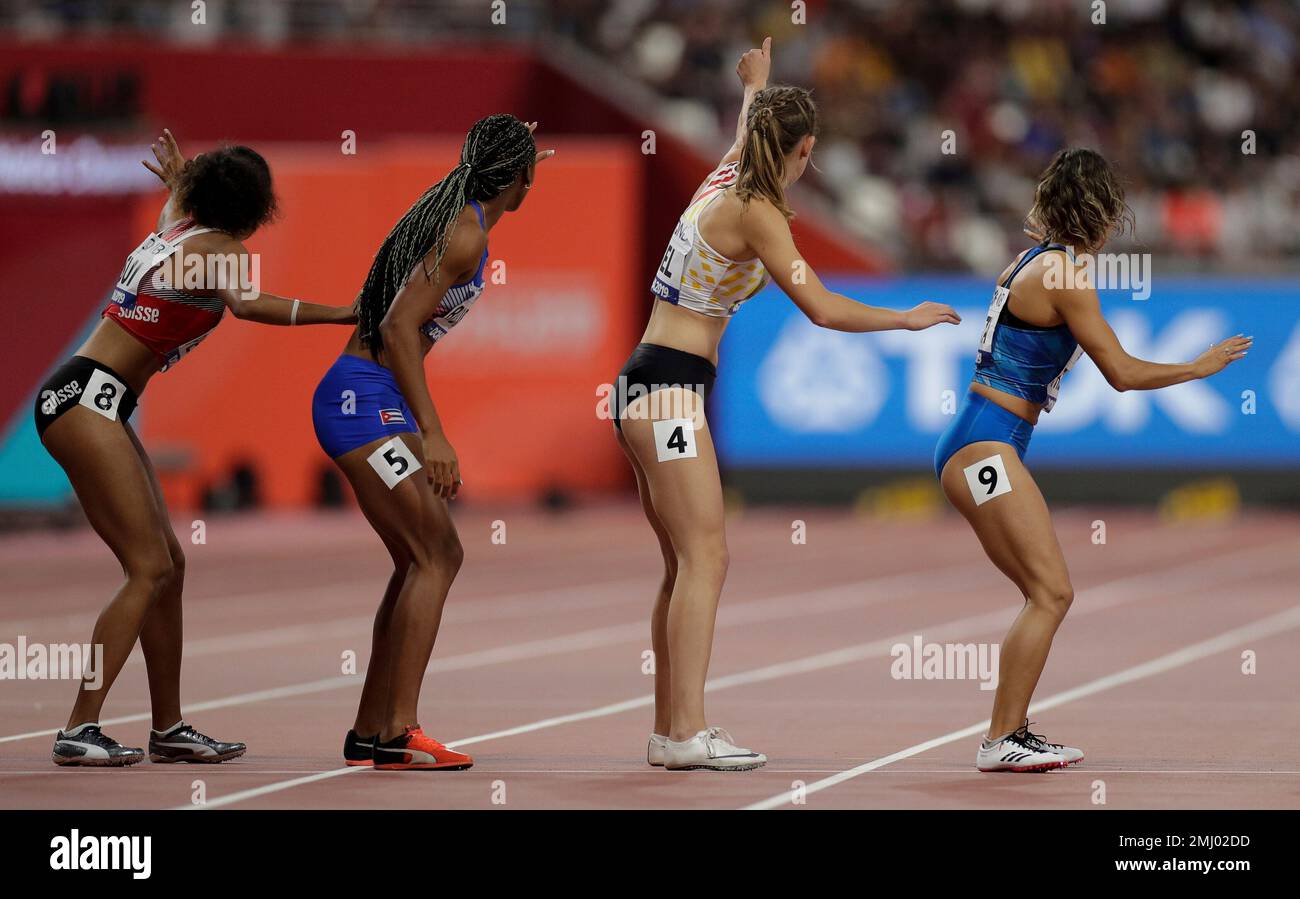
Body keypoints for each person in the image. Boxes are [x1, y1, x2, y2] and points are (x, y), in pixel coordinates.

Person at [612, 38, 960, 771]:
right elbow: (823, 308)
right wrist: (903, 319)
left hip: (647, 383)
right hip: (670, 389)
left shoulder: (729, 172)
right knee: (707, 555)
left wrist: (756, 85)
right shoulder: (757, 210)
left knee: (683, 562)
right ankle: (686, 732)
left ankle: (669, 728)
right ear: (803, 148)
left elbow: (747, 129)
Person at [36, 130, 356, 766]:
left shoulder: (176, 229)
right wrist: (343, 313)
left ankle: (168, 728)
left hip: (94, 399)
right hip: (85, 401)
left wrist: (183, 181)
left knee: (169, 566)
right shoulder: (219, 248)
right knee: (148, 568)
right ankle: (79, 727)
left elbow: (178, 204)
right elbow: (251, 303)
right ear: (258, 211)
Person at [934, 147, 1252, 772]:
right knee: (1052, 593)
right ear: (1100, 212)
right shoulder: (1063, 275)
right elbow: (1124, 374)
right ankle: (1001, 740)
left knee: (1041, 592)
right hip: (986, 448)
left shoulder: (1034, 261)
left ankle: (1011, 732)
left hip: (980, 441)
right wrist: (1200, 364)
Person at [312, 114, 552, 771]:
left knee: (420, 556)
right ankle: (397, 730)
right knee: (438, 553)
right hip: (362, 402)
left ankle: (371, 727)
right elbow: (395, 329)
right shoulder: (466, 231)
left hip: (368, 398)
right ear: (524, 179)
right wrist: (434, 433)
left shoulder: (455, 208)